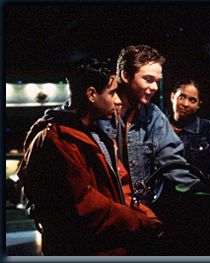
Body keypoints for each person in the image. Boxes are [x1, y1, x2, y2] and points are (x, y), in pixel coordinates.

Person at [17, 59, 163, 256]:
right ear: (92, 95)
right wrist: (142, 222)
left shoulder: (94, 134)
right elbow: (86, 206)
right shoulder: (57, 139)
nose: (118, 101)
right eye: (112, 93)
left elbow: (121, 186)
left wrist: (145, 215)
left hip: (107, 246)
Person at [98, 45, 203, 206]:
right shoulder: (97, 112)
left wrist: (203, 192)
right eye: (148, 79)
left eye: (157, 81)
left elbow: (173, 165)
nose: (154, 87)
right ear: (125, 75)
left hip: (140, 214)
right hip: (105, 212)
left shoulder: (154, 116)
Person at [169, 79, 210, 183]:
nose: (185, 104)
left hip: (194, 192)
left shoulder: (206, 128)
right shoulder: (160, 126)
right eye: (181, 97)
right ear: (172, 97)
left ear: (198, 105)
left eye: (192, 100)